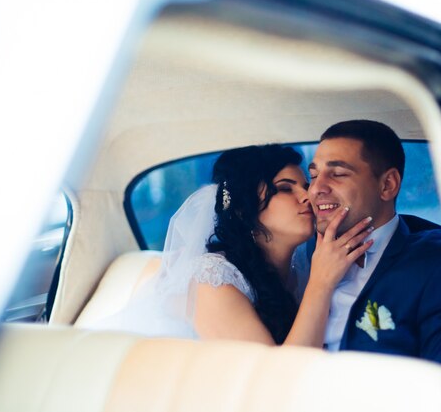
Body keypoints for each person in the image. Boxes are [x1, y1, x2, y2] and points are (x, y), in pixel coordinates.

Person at [91, 144, 373, 347]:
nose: (307, 196)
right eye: (285, 188)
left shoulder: (300, 264)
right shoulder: (212, 280)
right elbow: (273, 380)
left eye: (304, 185)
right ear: (244, 208)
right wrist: (321, 284)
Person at [305, 120, 441, 379]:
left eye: (337, 174)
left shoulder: (438, 261)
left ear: (387, 185)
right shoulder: (300, 254)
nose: (316, 188)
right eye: (313, 176)